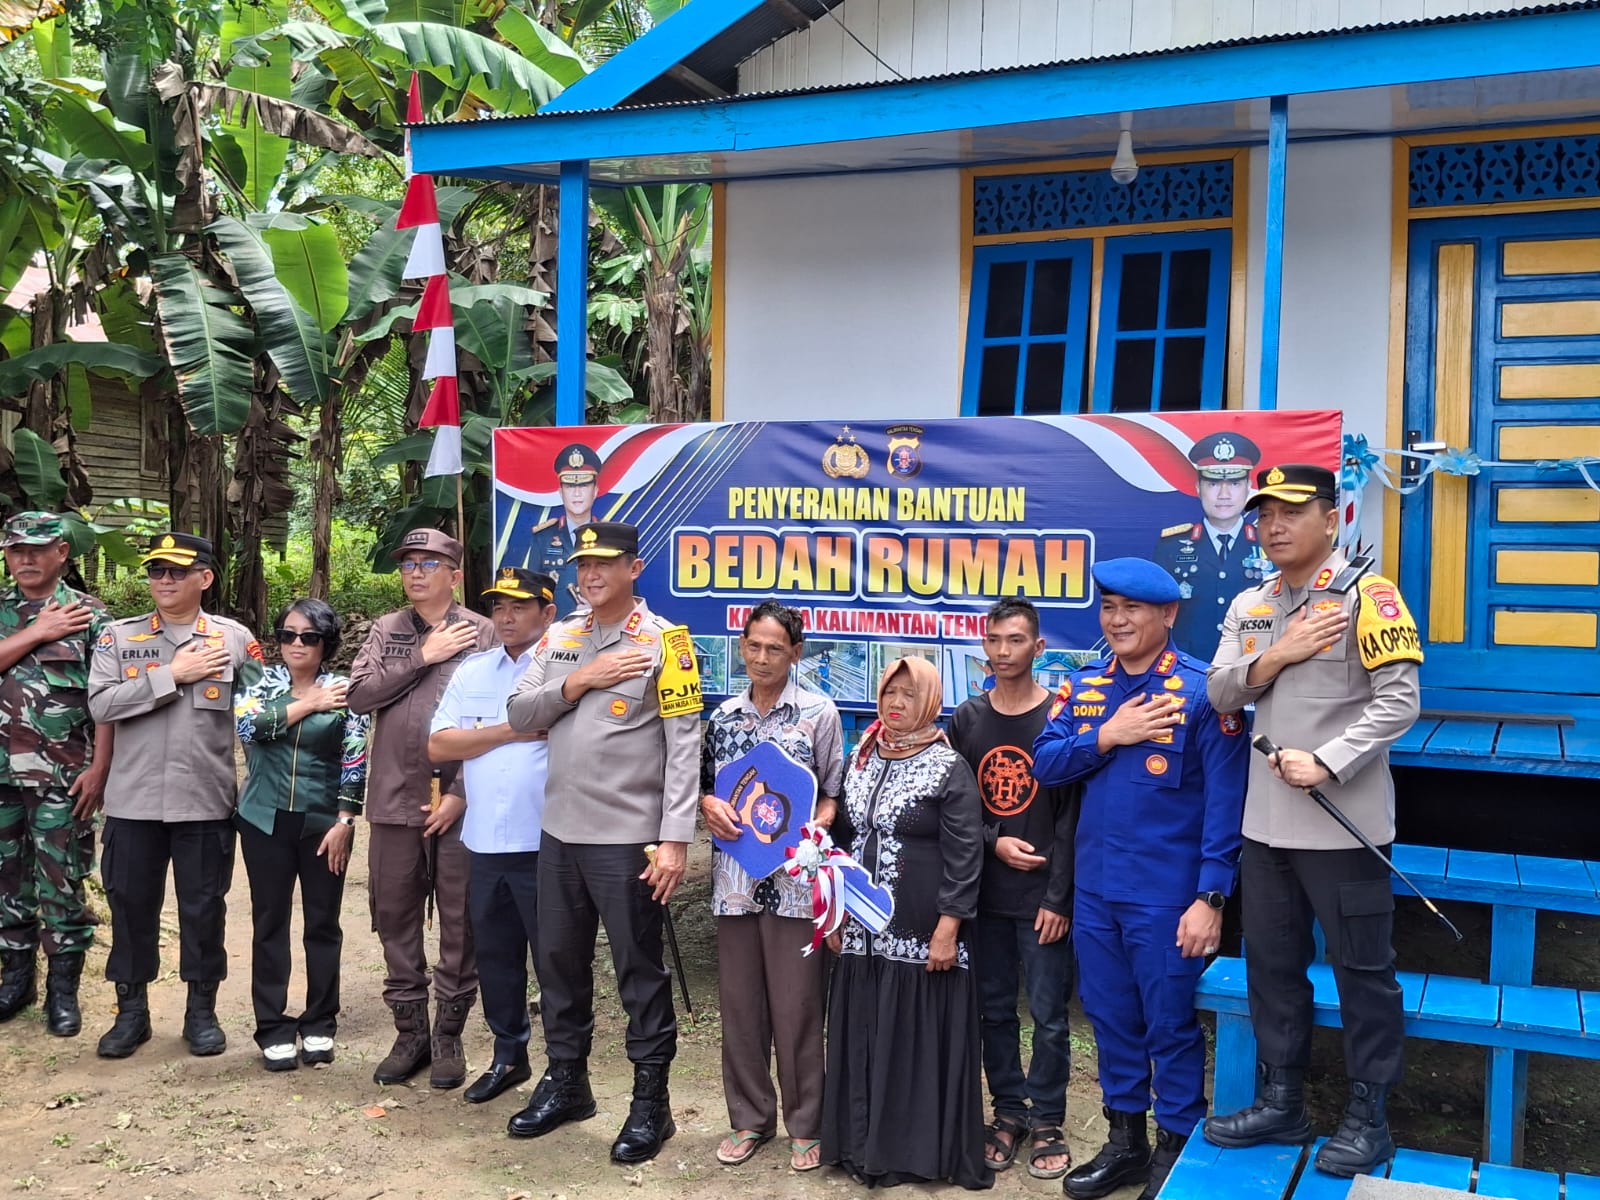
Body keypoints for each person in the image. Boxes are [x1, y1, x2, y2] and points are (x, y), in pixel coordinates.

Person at [1202, 464, 1422, 1178]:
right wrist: (1282, 653)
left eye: (1292, 511)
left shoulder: (1371, 597)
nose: (1273, 525)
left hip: (1343, 823)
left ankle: (1369, 1116)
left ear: (1333, 518)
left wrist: (1329, 760)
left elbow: (1400, 702)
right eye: (1265, 514)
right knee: (1272, 967)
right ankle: (1282, 1101)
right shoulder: (1253, 605)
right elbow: (1220, 692)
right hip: (1265, 827)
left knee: (1364, 972)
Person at [1032, 558, 1247, 1200]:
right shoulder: (1086, 689)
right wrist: (1108, 735)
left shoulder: (1205, 693)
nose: (1117, 620)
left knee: (1169, 1023)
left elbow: (1225, 805)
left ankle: (1176, 1148)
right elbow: (1045, 764)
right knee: (1108, 1016)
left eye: (1132, 608)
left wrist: (1211, 898)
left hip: (1166, 897)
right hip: (1095, 893)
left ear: (1169, 614)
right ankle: (1125, 1140)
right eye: (1108, 608)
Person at [504, 521, 701, 1164]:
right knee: (558, 966)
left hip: (627, 841)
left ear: (634, 568)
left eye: (605, 564)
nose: (590, 575)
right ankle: (568, 1084)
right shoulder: (561, 637)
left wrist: (674, 840)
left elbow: (683, 748)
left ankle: (652, 1104)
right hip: (559, 832)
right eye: (584, 564)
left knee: (638, 973)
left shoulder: (667, 642)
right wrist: (582, 679)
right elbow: (520, 714)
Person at [87, 532, 264, 1058]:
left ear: (204, 578)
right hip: (133, 802)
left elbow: (260, 716)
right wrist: (172, 674)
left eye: (176, 572)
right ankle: (132, 1012)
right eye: (156, 571)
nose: (163, 580)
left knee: (204, 908)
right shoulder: (118, 638)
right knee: (131, 907)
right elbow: (100, 706)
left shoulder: (233, 640)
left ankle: (201, 1011)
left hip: (204, 801)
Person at [820, 656, 990, 1191]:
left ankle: (914, 1154)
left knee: (914, 1042)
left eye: (909, 696)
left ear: (931, 704)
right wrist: (832, 908)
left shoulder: (947, 766)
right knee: (866, 1035)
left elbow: (966, 856)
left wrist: (948, 929)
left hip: (921, 936)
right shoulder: (862, 757)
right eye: (890, 693)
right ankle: (859, 1144)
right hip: (863, 934)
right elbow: (843, 838)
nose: (896, 704)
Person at [347, 527, 496, 1089]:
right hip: (392, 797)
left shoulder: (482, 632)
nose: (415, 572)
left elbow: (501, 716)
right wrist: (421, 656)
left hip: (464, 801)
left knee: (460, 919)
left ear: (454, 574)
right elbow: (359, 696)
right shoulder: (387, 630)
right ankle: (408, 1031)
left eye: (429, 563)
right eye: (409, 563)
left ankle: (448, 1034)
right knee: (395, 914)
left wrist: (461, 793)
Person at [699, 601, 845, 1173]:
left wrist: (821, 824)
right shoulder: (724, 718)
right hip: (734, 886)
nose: (763, 658)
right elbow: (708, 791)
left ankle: (806, 1124)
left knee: (799, 1007)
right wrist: (708, 804)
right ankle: (749, 1118)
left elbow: (833, 791)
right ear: (742, 646)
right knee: (739, 1008)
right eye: (754, 646)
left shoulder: (818, 713)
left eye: (775, 649)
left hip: (795, 886)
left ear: (796, 653)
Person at [948, 598, 1080, 1181]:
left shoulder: (1061, 719)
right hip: (985, 897)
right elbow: (953, 811)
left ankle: (1048, 1116)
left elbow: (1075, 818)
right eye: (995, 640)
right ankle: (1008, 1112)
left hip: (1043, 903)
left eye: (1016, 640)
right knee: (993, 1011)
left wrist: (1059, 896)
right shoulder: (969, 721)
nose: (1004, 652)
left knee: (1050, 1015)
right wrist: (992, 840)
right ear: (984, 645)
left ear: (1038, 648)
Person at [427, 567, 558, 1104]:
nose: (506, 616)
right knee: (498, 959)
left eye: (519, 606)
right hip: (483, 843)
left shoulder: (562, 670)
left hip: (546, 843)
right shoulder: (474, 670)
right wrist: (509, 731)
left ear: (547, 614)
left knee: (555, 962)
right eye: (499, 606)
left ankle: (563, 1068)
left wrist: (474, 739)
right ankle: (509, 1056)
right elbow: (439, 747)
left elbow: (462, 740)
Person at [234, 598, 369, 1072]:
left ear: (325, 644)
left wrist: (345, 821)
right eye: (288, 634)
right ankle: (271, 1025)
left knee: (322, 923)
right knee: (269, 921)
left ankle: (319, 1022)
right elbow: (250, 726)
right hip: (262, 818)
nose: (296, 644)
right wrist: (308, 702)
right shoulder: (258, 679)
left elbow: (354, 758)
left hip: (322, 823)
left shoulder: (345, 688)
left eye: (308, 637)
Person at [0, 512, 113, 1036]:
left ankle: (62, 990)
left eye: (37, 549)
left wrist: (100, 768)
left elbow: (109, 703)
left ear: (62, 552)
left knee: (62, 878)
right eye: (16, 549)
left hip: (61, 776)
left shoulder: (91, 617)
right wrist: (37, 631)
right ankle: (16, 978)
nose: (25, 558)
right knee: (5, 880)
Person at [1154, 432, 1270, 662]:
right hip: (1186, 671)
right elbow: (1156, 616)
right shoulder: (1171, 546)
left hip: (1253, 670)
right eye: (1213, 483)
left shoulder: (1269, 543)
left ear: (1249, 486)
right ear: (1198, 487)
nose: (1224, 494)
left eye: (1235, 483)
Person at [530, 443, 603, 617]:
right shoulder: (543, 538)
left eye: (584, 486)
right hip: (554, 636)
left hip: (603, 636)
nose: (577, 493)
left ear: (595, 491)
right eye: (570, 487)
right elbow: (533, 597)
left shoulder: (612, 539)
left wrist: (599, 611)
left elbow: (627, 597)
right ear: (560, 492)